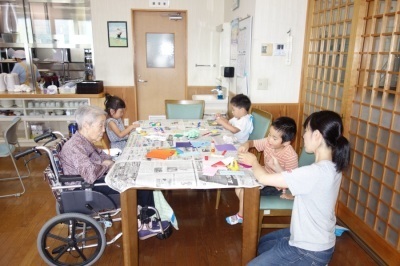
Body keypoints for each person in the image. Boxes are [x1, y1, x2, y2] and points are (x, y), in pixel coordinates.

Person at [239, 110, 350, 265]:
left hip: (309, 250)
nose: (303, 136)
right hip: (316, 238)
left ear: (317, 135)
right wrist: (293, 192)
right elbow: (314, 192)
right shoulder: (332, 166)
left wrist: (253, 162)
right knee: (263, 244)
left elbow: (263, 178)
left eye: (306, 131)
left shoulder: (313, 172)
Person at [59, 105, 154, 209]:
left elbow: (102, 155)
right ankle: (146, 218)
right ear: (86, 125)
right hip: (85, 189)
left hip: (94, 182)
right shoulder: (75, 146)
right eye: (100, 126)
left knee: (139, 178)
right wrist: (106, 165)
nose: (104, 130)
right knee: (138, 185)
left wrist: (117, 160)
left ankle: (147, 215)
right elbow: (90, 175)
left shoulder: (84, 141)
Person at [226, 116, 298, 225]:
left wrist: (291, 194)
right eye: (269, 134)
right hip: (263, 174)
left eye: (274, 138)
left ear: (286, 143)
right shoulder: (268, 143)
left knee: (246, 191)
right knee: (239, 186)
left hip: (277, 186)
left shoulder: (291, 156)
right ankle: (248, 209)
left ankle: (242, 215)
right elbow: (252, 143)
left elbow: (292, 179)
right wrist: (246, 144)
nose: (269, 139)